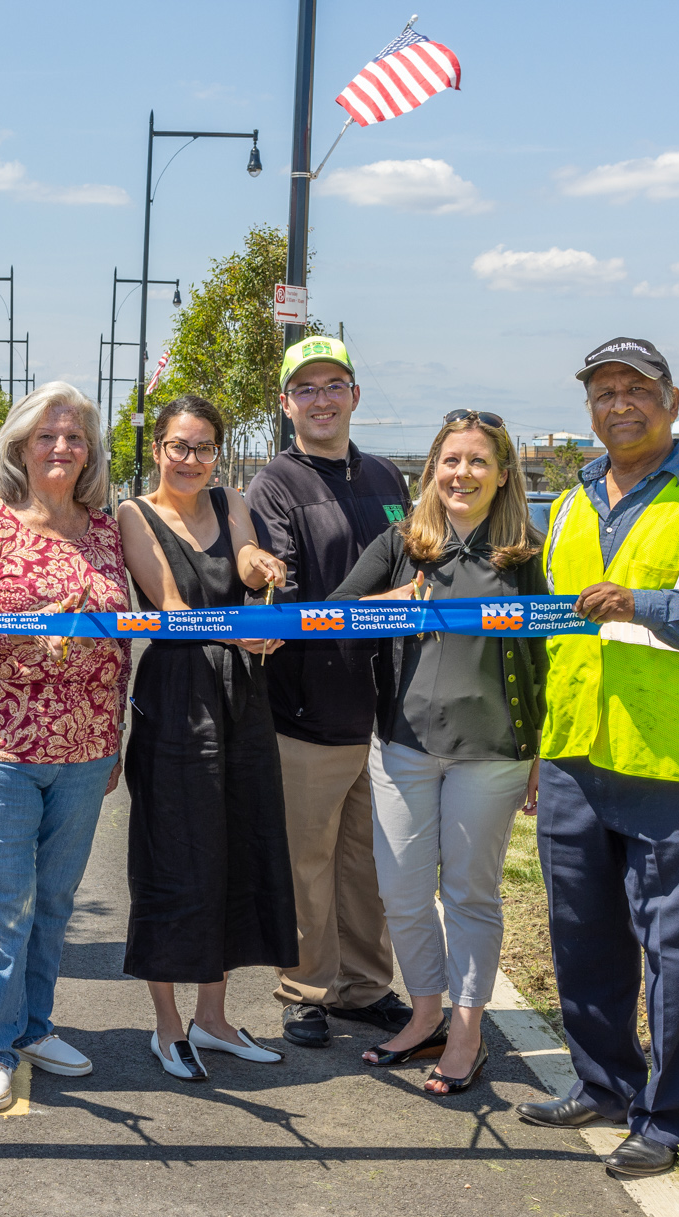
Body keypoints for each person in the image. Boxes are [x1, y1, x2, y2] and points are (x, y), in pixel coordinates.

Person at [517, 338, 679, 1176]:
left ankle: (664, 1116)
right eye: (603, 391)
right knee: (580, 934)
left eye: (636, 388)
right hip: (576, 749)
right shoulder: (571, 504)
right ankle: (602, 1082)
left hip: (675, 755)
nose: (619, 403)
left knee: (674, 947)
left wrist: (646, 605)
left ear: (671, 399)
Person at [329, 410, 549, 1097]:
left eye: (478, 461)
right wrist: (392, 600)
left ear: (503, 475)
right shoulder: (401, 544)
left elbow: (550, 654)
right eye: (451, 460)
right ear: (432, 469)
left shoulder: (527, 556)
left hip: (493, 753)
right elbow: (333, 614)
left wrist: (541, 752)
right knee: (401, 890)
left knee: (469, 894)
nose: (462, 473)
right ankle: (425, 1014)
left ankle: (466, 1032)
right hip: (403, 748)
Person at [0, 382, 129, 1112]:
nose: (62, 447)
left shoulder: (104, 531)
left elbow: (121, 640)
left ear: (91, 452)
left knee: (54, 899)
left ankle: (34, 1026)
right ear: (19, 447)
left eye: (75, 437)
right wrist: (25, 630)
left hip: (85, 746)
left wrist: (115, 733)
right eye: (47, 435)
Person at [116, 394, 294, 1082]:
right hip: (176, 697)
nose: (191, 460)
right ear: (158, 449)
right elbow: (171, 607)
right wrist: (240, 631)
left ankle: (213, 1020)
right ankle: (167, 1025)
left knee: (236, 850)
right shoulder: (134, 513)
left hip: (241, 695)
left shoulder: (231, 500)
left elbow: (244, 560)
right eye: (178, 447)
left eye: (204, 448)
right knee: (173, 855)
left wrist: (264, 572)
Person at [243, 336, 412, 1050]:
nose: (321, 399)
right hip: (307, 708)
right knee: (306, 863)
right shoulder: (275, 484)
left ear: (354, 396)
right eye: (306, 388)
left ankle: (364, 986)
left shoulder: (388, 478)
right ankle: (306, 989)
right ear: (286, 404)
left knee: (368, 865)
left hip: (385, 710)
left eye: (333, 385)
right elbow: (280, 591)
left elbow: (416, 563)